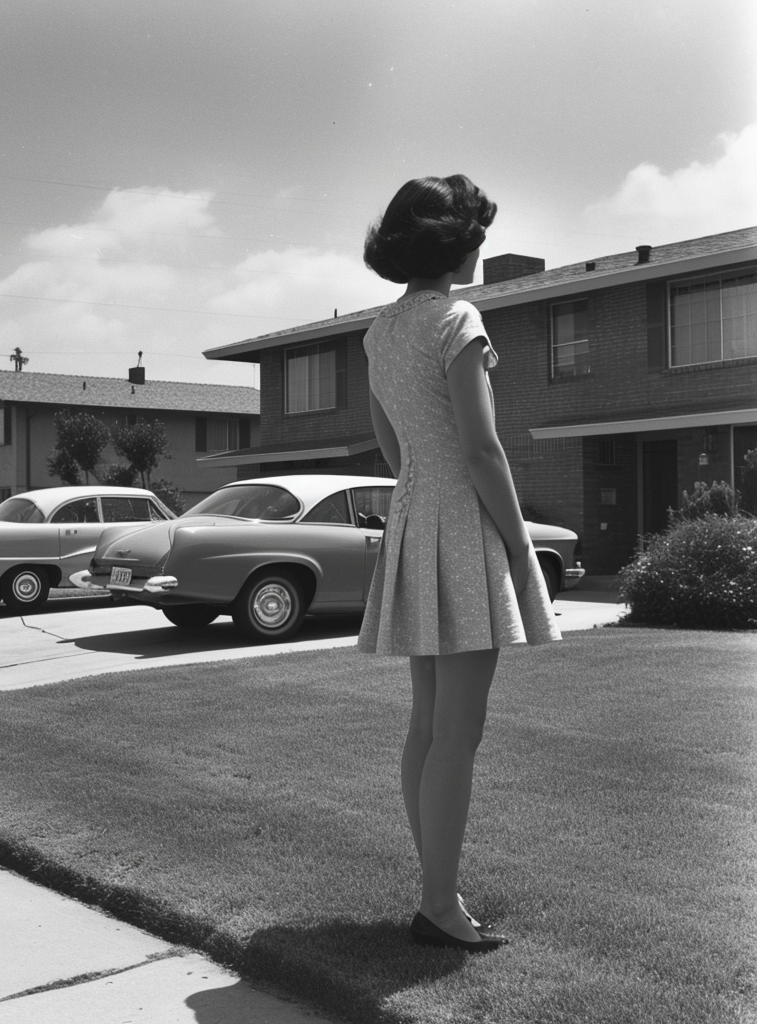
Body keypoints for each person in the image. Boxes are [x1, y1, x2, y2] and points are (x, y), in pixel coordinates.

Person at [357, 175, 561, 953]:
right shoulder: (458, 318)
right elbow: (480, 448)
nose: (479, 246)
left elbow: (392, 445)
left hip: (414, 518)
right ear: (457, 242)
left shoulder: (381, 332)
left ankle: (437, 892)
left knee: (428, 722)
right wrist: (517, 543)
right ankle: (440, 906)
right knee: (459, 731)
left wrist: (423, 491)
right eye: (476, 232)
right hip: (460, 526)